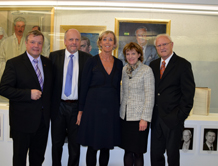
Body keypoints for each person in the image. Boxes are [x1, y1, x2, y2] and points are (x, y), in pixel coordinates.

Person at [0, 30, 53, 166]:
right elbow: (4, 89)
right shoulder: (14, 63)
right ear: (26, 43)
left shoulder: (48, 64)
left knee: (38, 159)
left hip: (42, 123)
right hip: (22, 123)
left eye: (39, 43)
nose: (36, 45)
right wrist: (28, 94)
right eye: (33, 42)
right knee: (19, 159)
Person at [77, 30, 123, 166]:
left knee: (106, 146)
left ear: (114, 44)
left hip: (111, 109)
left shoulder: (119, 64)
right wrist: (80, 110)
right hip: (93, 109)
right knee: (92, 146)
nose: (108, 42)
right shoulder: (91, 61)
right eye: (105, 39)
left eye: (110, 39)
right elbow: (83, 86)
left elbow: (120, 88)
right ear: (100, 42)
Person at [149, 34, 195, 166]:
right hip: (156, 118)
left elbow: (188, 95)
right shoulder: (153, 65)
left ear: (172, 45)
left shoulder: (183, 64)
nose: (162, 47)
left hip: (173, 119)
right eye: (159, 45)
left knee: (173, 156)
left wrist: (179, 116)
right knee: (156, 155)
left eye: (165, 44)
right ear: (156, 48)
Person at [50, 29, 91, 166]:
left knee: (75, 145)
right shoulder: (54, 56)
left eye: (77, 40)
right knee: (56, 143)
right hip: (58, 106)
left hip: (76, 108)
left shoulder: (87, 59)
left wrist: (83, 109)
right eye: (71, 39)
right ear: (65, 41)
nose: (74, 43)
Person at [120, 42, 154, 166]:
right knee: (127, 151)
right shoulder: (124, 69)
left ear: (139, 54)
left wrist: (145, 118)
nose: (130, 56)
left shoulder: (146, 70)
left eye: (133, 53)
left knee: (138, 152)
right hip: (125, 117)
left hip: (139, 119)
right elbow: (122, 92)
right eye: (127, 54)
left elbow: (150, 96)